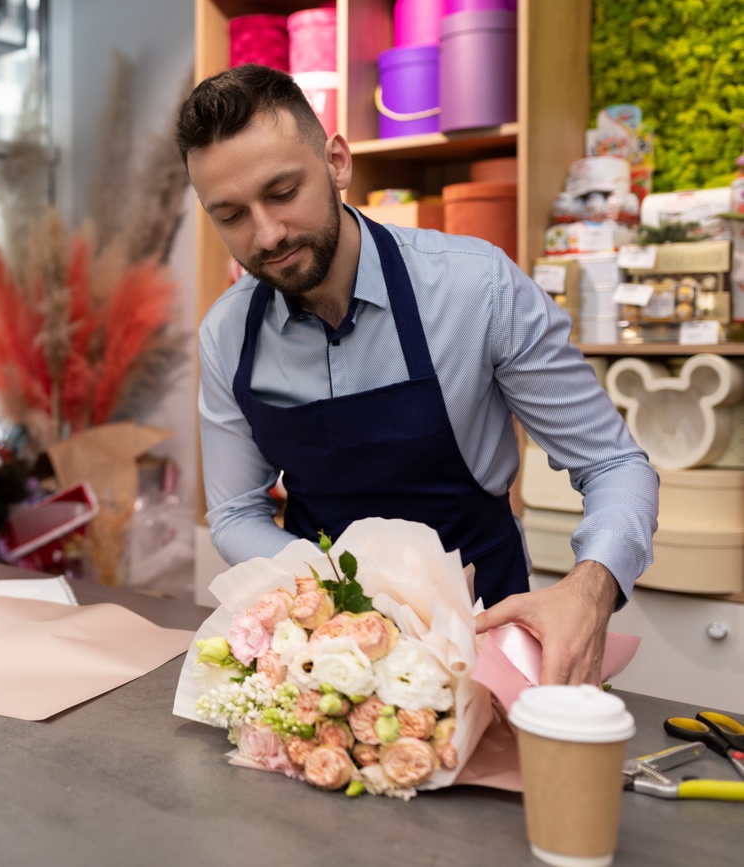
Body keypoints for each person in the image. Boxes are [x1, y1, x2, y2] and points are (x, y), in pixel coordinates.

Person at [177, 64, 658, 686]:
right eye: (231, 214)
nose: (266, 234)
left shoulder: (475, 288)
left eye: (282, 192)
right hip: (324, 654)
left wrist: (590, 590)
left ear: (338, 162)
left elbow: (616, 465)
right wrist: (347, 589)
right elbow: (237, 514)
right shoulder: (227, 336)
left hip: (486, 641)